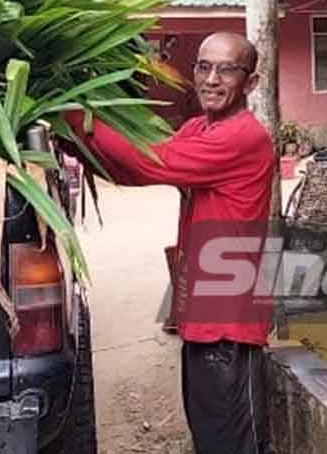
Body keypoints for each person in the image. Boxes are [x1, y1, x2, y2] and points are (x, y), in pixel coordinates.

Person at [64, 32, 276, 454]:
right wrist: (77, 137)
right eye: (203, 66)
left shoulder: (243, 137)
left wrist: (74, 114)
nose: (211, 79)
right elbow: (136, 170)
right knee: (208, 435)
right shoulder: (198, 127)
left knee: (231, 443)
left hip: (228, 322)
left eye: (226, 70)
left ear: (250, 83)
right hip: (201, 315)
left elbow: (152, 161)